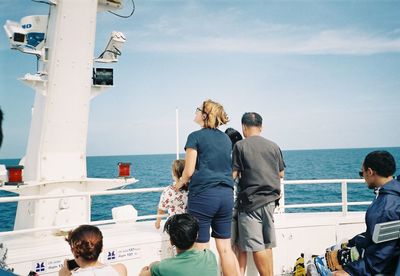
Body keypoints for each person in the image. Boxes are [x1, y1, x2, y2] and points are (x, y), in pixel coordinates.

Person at [174, 99, 240, 276]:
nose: (194, 112)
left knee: (201, 249)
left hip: (204, 196)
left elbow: (188, 171)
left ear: (205, 115)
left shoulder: (194, 136)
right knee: (225, 248)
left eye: (197, 110)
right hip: (226, 195)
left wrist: (178, 184)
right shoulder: (226, 139)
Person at [232, 112, 285, 276]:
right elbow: (281, 173)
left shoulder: (240, 146)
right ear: (261, 127)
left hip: (251, 202)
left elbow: (233, 174)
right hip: (271, 201)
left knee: (256, 246)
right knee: (267, 244)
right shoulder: (273, 145)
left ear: (243, 127)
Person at [331, 150, 400, 276]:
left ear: (370, 172)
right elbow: (378, 238)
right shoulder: (394, 192)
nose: (363, 178)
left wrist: (349, 272)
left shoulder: (384, 208)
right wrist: (353, 242)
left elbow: (380, 257)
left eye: (361, 173)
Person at [139, 214, 218, 276]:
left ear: (171, 241)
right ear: (196, 236)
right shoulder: (210, 256)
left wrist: (152, 266)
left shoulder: (163, 267)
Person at [58, 225, 127, 276]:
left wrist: (64, 272)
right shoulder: (120, 269)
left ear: (74, 252)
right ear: (101, 248)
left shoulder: (64, 274)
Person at [154, 159, 187, 230]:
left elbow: (161, 209)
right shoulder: (192, 188)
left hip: (174, 225)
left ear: (174, 174)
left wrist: (157, 223)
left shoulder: (169, 190)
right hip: (189, 224)